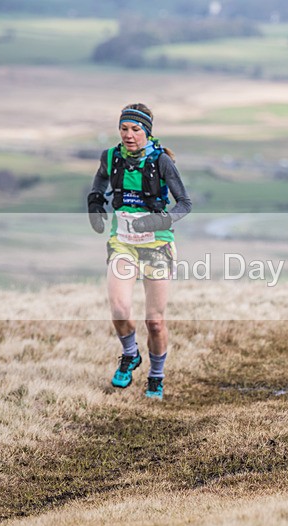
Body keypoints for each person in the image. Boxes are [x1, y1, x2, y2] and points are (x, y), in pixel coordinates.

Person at [87, 103, 192, 400]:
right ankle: (130, 354)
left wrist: (161, 219)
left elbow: (185, 203)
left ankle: (156, 376)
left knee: (155, 322)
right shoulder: (110, 157)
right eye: (124, 129)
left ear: (147, 131)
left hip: (157, 244)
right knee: (119, 309)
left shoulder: (161, 162)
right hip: (122, 242)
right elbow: (99, 179)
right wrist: (95, 201)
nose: (129, 135)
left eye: (135, 129)